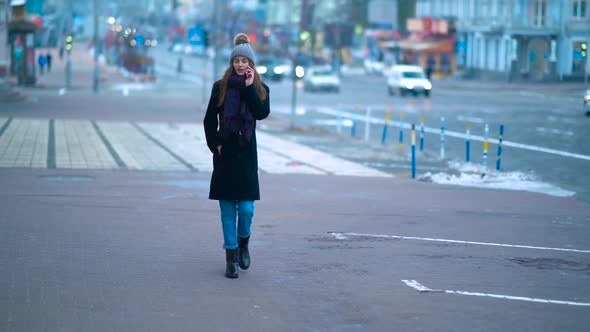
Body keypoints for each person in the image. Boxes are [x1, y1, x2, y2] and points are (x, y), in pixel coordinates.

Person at [203, 33, 270, 279]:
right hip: (226, 153)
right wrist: (215, 145)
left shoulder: (261, 89)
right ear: (231, 63)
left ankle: (243, 244)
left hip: (247, 156)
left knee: (247, 208)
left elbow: (261, 113)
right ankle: (231, 256)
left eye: (244, 61)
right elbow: (209, 119)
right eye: (236, 61)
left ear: (251, 64)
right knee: (227, 209)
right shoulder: (220, 88)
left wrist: (251, 88)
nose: (240, 65)